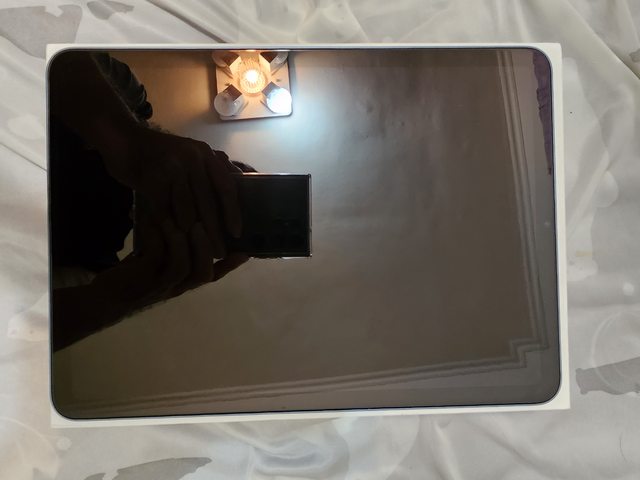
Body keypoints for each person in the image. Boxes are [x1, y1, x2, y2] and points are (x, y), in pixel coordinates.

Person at [49, 51, 249, 351]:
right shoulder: (124, 92)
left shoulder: (87, 271)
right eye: (217, 187)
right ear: (210, 159)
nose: (205, 206)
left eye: (220, 217)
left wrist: (112, 299)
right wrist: (127, 140)